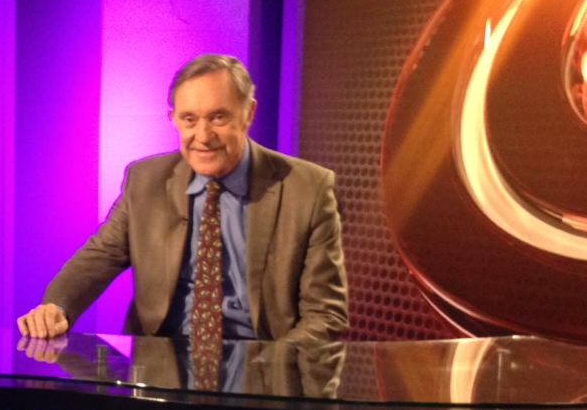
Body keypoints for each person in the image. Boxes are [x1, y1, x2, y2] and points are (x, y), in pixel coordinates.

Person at [17, 53, 347, 347]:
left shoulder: (309, 189)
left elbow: (325, 317)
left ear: (248, 114)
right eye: (189, 119)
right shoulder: (145, 180)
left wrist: (270, 372)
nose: (202, 137)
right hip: (161, 368)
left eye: (219, 118)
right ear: (174, 118)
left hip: (262, 368)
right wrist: (56, 306)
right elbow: (101, 255)